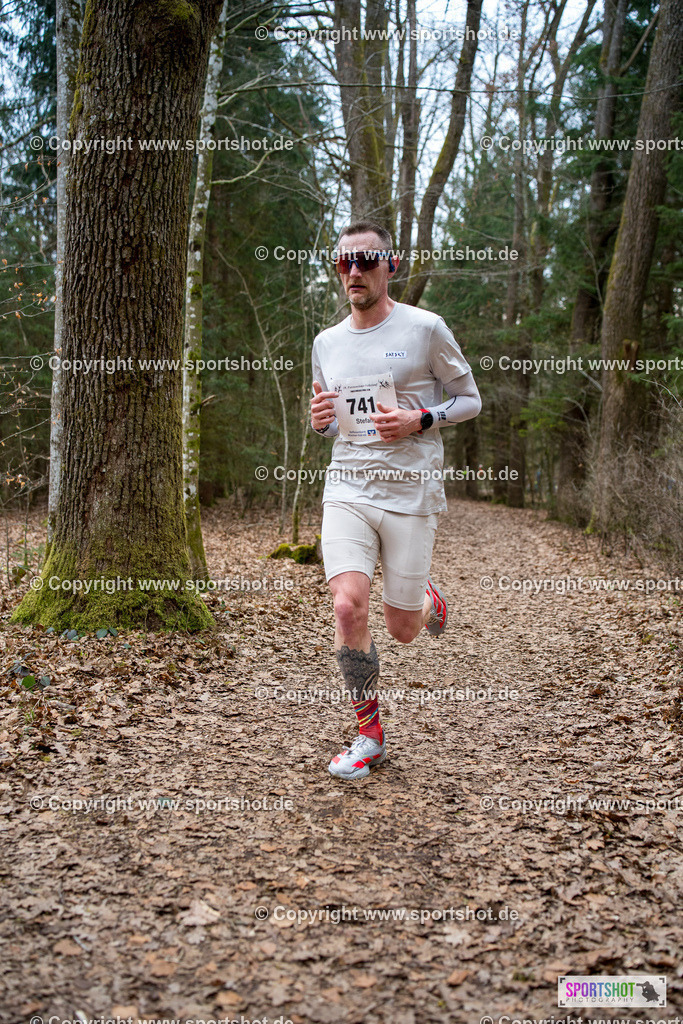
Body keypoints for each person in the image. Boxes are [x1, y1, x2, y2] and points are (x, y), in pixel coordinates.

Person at [310, 221, 481, 781]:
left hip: (411, 490)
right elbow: (336, 425)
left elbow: (469, 399)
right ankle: (368, 734)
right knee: (346, 606)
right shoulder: (326, 342)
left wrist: (420, 418)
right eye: (344, 264)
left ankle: (427, 602)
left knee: (403, 628)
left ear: (392, 264)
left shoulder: (426, 329)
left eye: (366, 261)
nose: (354, 272)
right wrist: (319, 424)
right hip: (349, 487)